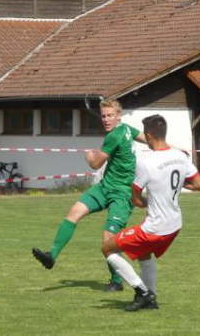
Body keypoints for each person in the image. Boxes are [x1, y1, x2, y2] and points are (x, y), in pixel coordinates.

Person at [32, 99, 148, 292]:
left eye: (110, 115)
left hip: (123, 194)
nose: (106, 119)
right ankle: (51, 256)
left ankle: (117, 281)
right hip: (104, 187)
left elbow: (95, 164)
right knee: (74, 212)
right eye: (103, 116)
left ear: (119, 115)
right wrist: (173, 148)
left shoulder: (115, 136)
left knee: (108, 240)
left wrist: (88, 155)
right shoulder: (128, 129)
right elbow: (150, 139)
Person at [101, 113, 200, 311]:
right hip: (175, 225)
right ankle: (152, 297)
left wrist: (148, 202)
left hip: (156, 227)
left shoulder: (146, 163)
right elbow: (199, 184)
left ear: (148, 136)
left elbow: (136, 199)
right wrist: (179, 185)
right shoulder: (180, 156)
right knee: (144, 253)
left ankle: (143, 292)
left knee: (107, 248)